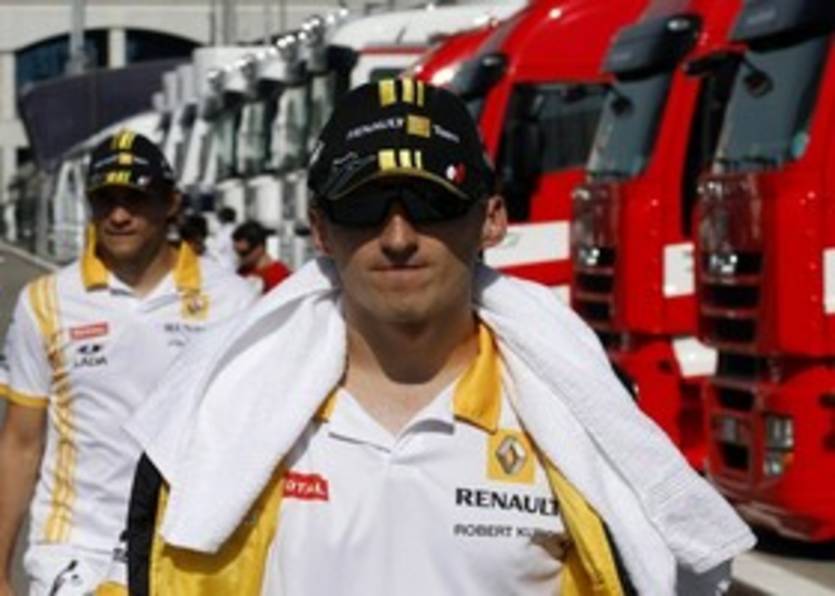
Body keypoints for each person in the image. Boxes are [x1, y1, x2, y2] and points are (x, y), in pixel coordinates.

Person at [114, 80, 754, 595]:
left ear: (492, 219)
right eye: (364, 207)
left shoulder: (574, 421)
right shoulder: (225, 416)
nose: (398, 238)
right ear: (320, 229)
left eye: (432, 201)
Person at [0, 130, 257, 596]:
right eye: (105, 200)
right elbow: (20, 443)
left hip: (184, 548)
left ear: (171, 203)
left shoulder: (232, 300)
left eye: (135, 199)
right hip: (74, 552)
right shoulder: (45, 301)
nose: (118, 216)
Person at [232, 221, 292, 293]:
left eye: (243, 253)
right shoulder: (241, 272)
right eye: (236, 252)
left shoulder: (281, 276)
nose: (239, 257)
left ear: (259, 248)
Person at [205, 206, 237, 271]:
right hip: (233, 263)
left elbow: (218, 247)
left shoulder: (224, 231)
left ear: (223, 218)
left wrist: (208, 240)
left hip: (224, 264)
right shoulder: (236, 228)